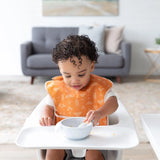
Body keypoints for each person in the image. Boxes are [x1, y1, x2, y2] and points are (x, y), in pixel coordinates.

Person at [39, 35, 118, 160]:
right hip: (64, 139)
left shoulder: (99, 87)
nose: (75, 80)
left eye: (81, 74)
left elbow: (114, 103)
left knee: (93, 155)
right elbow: (48, 105)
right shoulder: (57, 88)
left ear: (91, 66)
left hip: (94, 139)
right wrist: (46, 116)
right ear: (60, 69)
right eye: (67, 75)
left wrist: (100, 113)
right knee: (52, 150)